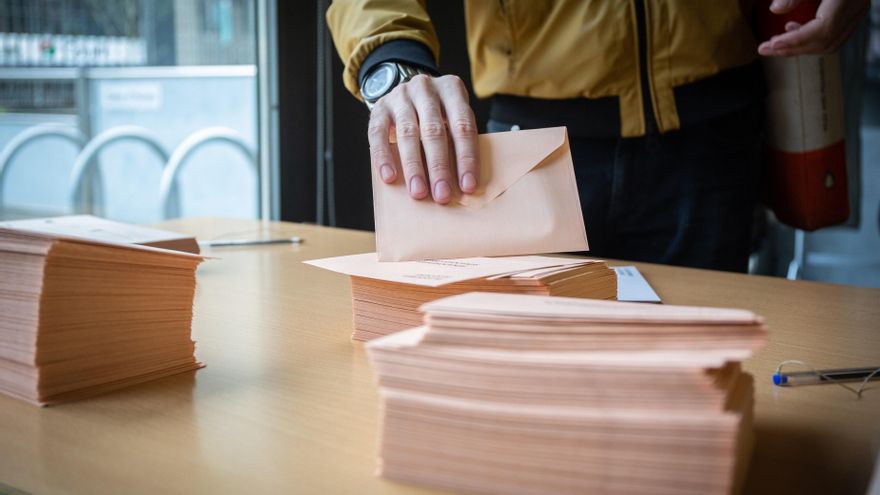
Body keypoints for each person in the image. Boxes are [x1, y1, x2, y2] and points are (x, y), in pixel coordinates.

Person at [326, 0, 868, 272]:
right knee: (528, 392)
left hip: (711, 140)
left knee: (691, 393)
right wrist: (388, 55)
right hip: (531, 154)